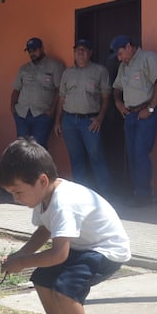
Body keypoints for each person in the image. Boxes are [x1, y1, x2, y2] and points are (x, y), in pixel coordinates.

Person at [0, 137, 130, 314]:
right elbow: (44, 230)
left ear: (42, 180)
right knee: (42, 278)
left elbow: (59, 254)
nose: (15, 199)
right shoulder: (43, 195)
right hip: (84, 246)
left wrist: (23, 262)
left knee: (66, 288)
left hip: (107, 250)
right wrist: (20, 255)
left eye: (18, 192)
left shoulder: (63, 202)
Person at [110, 35, 157, 207]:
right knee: (132, 154)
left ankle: (143, 194)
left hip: (147, 112)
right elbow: (116, 88)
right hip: (131, 114)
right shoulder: (123, 67)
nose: (119, 58)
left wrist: (150, 108)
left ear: (129, 46)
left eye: (120, 53)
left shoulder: (148, 58)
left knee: (141, 152)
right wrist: (119, 104)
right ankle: (136, 192)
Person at [54, 39, 113, 198]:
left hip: (90, 121)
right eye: (77, 49)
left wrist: (100, 118)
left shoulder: (100, 71)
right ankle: (82, 195)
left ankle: (106, 195)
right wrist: (58, 121)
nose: (80, 52)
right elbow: (61, 98)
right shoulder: (67, 73)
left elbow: (106, 97)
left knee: (96, 156)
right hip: (69, 122)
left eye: (84, 50)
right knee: (76, 158)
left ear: (90, 53)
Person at [10, 37, 64, 148]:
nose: (32, 53)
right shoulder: (24, 69)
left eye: (34, 50)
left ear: (42, 48)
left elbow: (60, 90)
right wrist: (12, 107)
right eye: (29, 51)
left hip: (42, 115)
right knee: (22, 150)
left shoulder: (55, 65)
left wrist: (52, 111)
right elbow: (16, 89)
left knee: (38, 149)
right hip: (22, 114)